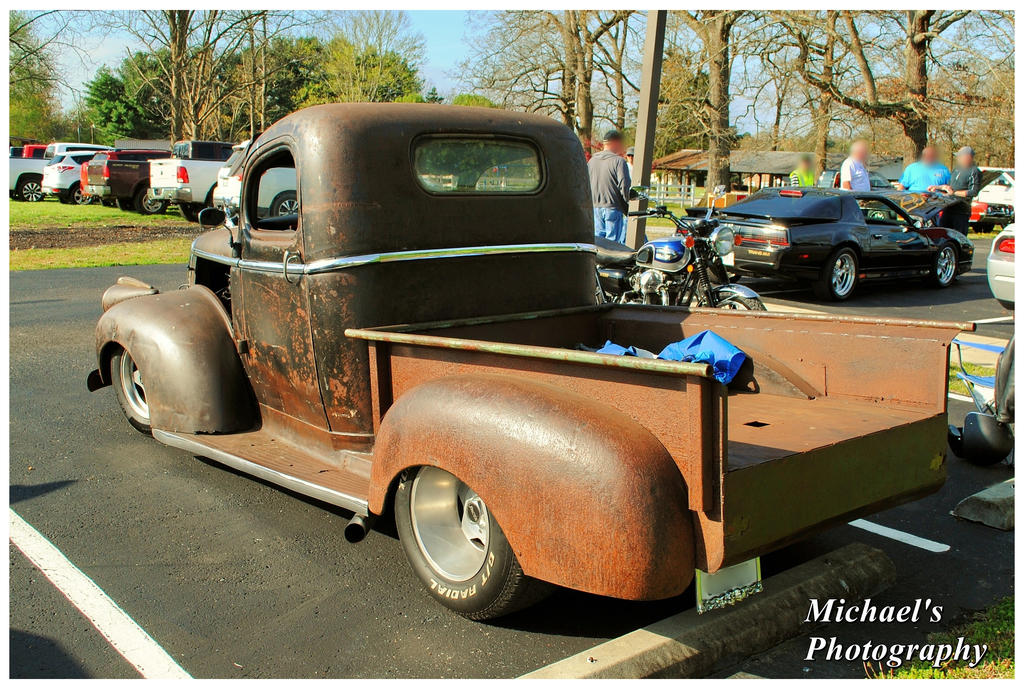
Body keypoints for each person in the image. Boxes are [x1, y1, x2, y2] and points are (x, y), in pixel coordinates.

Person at [589, 130, 631, 243]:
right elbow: (624, 185)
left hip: (595, 207)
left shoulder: (592, 161)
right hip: (613, 206)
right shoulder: (619, 162)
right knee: (612, 244)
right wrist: (629, 204)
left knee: (598, 242)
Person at [934, 146, 982, 234]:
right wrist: (938, 188)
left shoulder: (974, 171)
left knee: (959, 237)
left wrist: (954, 193)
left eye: (960, 156)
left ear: (968, 157)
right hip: (948, 209)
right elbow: (949, 186)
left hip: (961, 212)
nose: (958, 158)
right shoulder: (956, 169)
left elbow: (973, 192)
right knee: (942, 234)